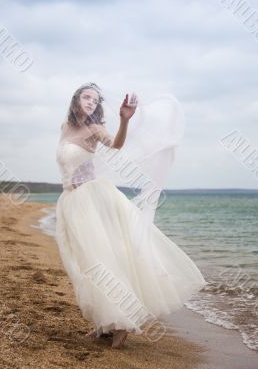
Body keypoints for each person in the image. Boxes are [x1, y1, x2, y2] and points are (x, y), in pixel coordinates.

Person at [55, 82, 207, 349]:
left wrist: (125, 120)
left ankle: (122, 324)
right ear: (76, 99)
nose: (90, 101)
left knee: (104, 259)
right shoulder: (65, 127)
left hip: (93, 199)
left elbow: (115, 145)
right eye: (86, 96)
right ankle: (103, 323)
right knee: (88, 263)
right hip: (71, 201)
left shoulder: (95, 129)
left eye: (94, 99)